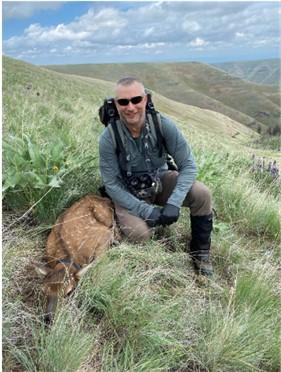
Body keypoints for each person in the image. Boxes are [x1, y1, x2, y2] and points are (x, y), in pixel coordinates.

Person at [99, 77, 213, 277]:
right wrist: (145, 210)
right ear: (116, 105)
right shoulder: (109, 137)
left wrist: (174, 203)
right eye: (123, 102)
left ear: (146, 99)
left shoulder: (163, 125)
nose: (131, 107)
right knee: (140, 235)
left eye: (136, 100)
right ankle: (122, 223)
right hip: (128, 191)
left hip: (160, 180)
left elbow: (188, 166)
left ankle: (200, 252)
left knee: (202, 194)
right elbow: (111, 184)